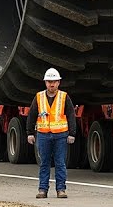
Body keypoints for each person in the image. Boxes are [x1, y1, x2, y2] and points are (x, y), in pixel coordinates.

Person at [26, 68, 77, 199]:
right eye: (49, 82)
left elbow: (71, 115)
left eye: (54, 81)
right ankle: (43, 189)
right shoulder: (39, 97)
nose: (51, 84)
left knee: (60, 163)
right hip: (43, 135)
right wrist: (30, 133)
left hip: (61, 135)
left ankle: (61, 189)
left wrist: (72, 133)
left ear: (59, 82)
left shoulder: (64, 97)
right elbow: (31, 115)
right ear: (45, 83)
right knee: (44, 163)